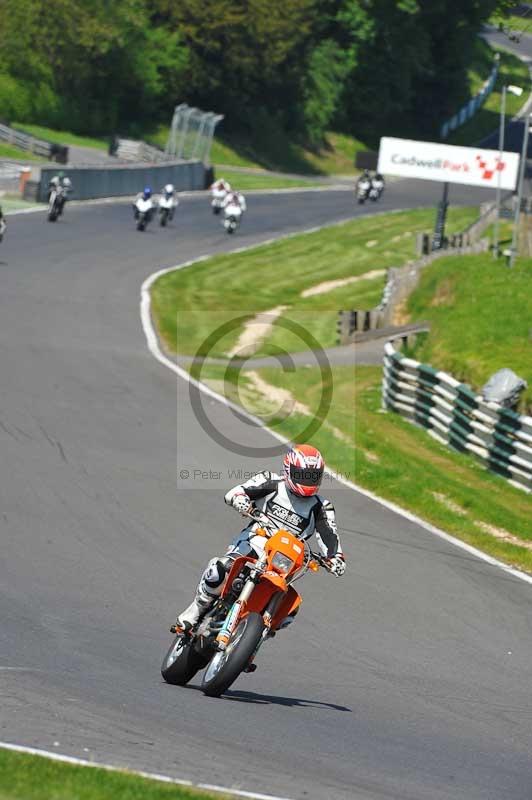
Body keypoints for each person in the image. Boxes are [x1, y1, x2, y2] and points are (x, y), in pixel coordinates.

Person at [174, 445, 345, 634]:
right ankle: (196, 610)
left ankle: (254, 639)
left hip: (286, 561)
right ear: (289, 469)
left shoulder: (322, 506)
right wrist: (240, 499)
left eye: (312, 477)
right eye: (303, 475)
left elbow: (329, 534)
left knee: (290, 610)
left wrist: (335, 557)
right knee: (220, 569)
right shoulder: (270, 481)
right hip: (255, 543)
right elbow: (236, 492)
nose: (307, 481)